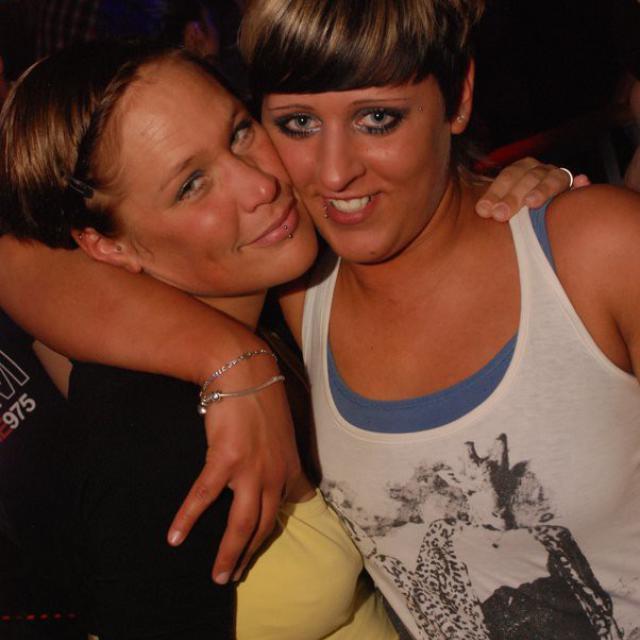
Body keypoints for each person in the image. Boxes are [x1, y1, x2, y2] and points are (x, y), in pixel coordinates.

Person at [0, 41, 401, 639]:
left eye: (238, 133)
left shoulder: (281, 300)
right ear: (109, 246)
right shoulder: (152, 439)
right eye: (191, 185)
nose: (259, 185)